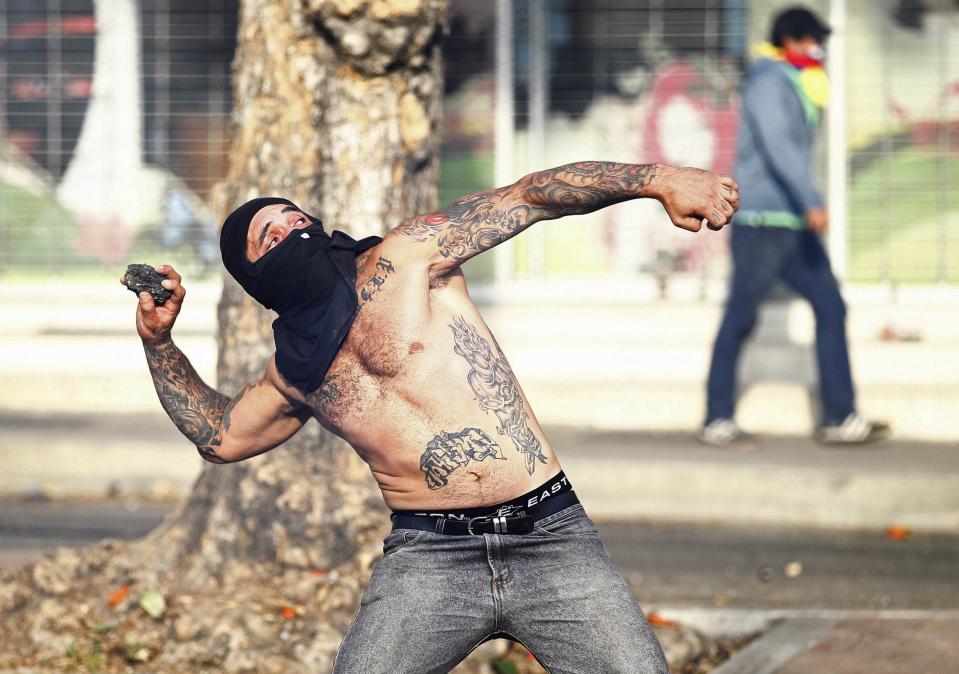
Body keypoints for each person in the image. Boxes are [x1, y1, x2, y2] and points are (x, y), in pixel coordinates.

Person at [125, 161, 738, 673]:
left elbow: (531, 196)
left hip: (551, 537)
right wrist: (159, 344)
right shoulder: (294, 375)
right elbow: (220, 437)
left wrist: (657, 179)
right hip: (429, 558)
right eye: (273, 234)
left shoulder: (411, 257)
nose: (296, 228)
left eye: (298, 218)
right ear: (256, 275)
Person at [698, 6, 890, 448]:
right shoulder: (768, 81)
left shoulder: (799, 82)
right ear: (790, 41)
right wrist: (812, 199)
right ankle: (716, 418)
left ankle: (839, 417)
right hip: (763, 221)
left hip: (790, 223)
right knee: (741, 317)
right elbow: (781, 148)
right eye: (810, 40)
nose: (817, 48)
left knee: (831, 306)